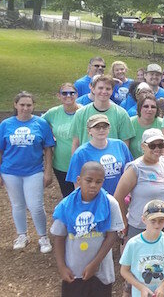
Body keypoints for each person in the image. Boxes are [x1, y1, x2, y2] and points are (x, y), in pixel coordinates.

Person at [51, 161, 124, 297]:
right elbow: (59, 237)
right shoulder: (66, 205)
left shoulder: (110, 203)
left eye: (98, 182)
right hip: (73, 270)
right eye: (88, 180)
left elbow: (111, 236)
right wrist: (61, 267)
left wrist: (94, 264)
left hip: (101, 271)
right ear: (79, 180)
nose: (93, 185)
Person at [0, 91, 55, 253]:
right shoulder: (6, 124)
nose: (25, 108)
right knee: (17, 204)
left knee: (36, 205)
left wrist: (48, 171)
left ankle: (43, 237)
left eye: (29, 105)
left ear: (33, 106)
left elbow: (48, 149)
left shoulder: (40, 123)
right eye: (22, 105)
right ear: (16, 105)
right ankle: (22, 235)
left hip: (34, 171)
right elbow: (1, 151)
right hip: (10, 171)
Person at [114, 128, 164, 241]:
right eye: (152, 145)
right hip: (141, 227)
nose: (157, 149)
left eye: (161, 145)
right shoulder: (135, 168)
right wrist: (123, 222)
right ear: (143, 146)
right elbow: (118, 197)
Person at [119, 199, 164, 297]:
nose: (157, 225)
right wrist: (141, 287)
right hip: (140, 293)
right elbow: (124, 270)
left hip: (163, 292)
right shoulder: (133, 243)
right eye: (153, 221)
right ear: (144, 219)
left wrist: (163, 286)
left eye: (161, 221)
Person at [67, 114, 132, 195]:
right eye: (97, 127)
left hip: (121, 197)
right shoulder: (81, 153)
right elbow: (77, 184)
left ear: (109, 129)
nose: (101, 130)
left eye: (105, 127)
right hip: (96, 199)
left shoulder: (120, 145)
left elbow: (129, 171)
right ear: (89, 130)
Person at [71, 75, 135, 152]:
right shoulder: (80, 113)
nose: (104, 91)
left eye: (108, 89)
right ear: (93, 89)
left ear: (112, 91)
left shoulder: (121, 114)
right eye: (100, 88)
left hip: (112, 160)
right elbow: (75, 143)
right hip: (87, 160)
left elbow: (125, 144)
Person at [43, 83, 81, 197]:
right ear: (58, 96)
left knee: (84, 196)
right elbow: (38, 124)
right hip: (61, 164)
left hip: (83, 163)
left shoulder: (84, 111)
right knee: (68, 196)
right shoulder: (53, 113)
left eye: (72, 93)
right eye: (64, 93)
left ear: (77, 95)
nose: (68, 95)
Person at [129, 94, 162, 158]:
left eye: (153, 107)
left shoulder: (162, 124)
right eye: (146, 106)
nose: (149, 109)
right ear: (139, 108)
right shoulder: (130, 123)